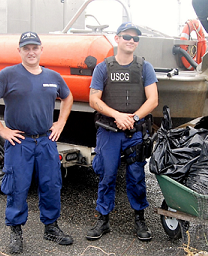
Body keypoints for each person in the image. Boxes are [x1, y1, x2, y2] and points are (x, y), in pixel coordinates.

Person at [0, 31, 74, 253]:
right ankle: (16, 231)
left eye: (35, 47)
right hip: (19, 143)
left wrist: (60, 123)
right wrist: (2, 130)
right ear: (20, 51)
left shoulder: (53, 77)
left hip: (46, 141)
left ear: (41, 49)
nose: (31, 52)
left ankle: (51, 227)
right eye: (26, 48)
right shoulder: (8, 75)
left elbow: (68, 97)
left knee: (51, 185)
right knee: (17, 187)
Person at [87, 22, 158, 241]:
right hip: (109, 130)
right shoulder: (103, 67)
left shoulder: (145, 67)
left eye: (135, 38)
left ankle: (139, 218)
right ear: (117, 38)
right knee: (106, 174)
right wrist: (117, 115)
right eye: (127, 37)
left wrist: (134, 118)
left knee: (136, 176)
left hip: (134, 131)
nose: (131, 41)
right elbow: (93, 99)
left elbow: (153, 99)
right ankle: (103, 219)